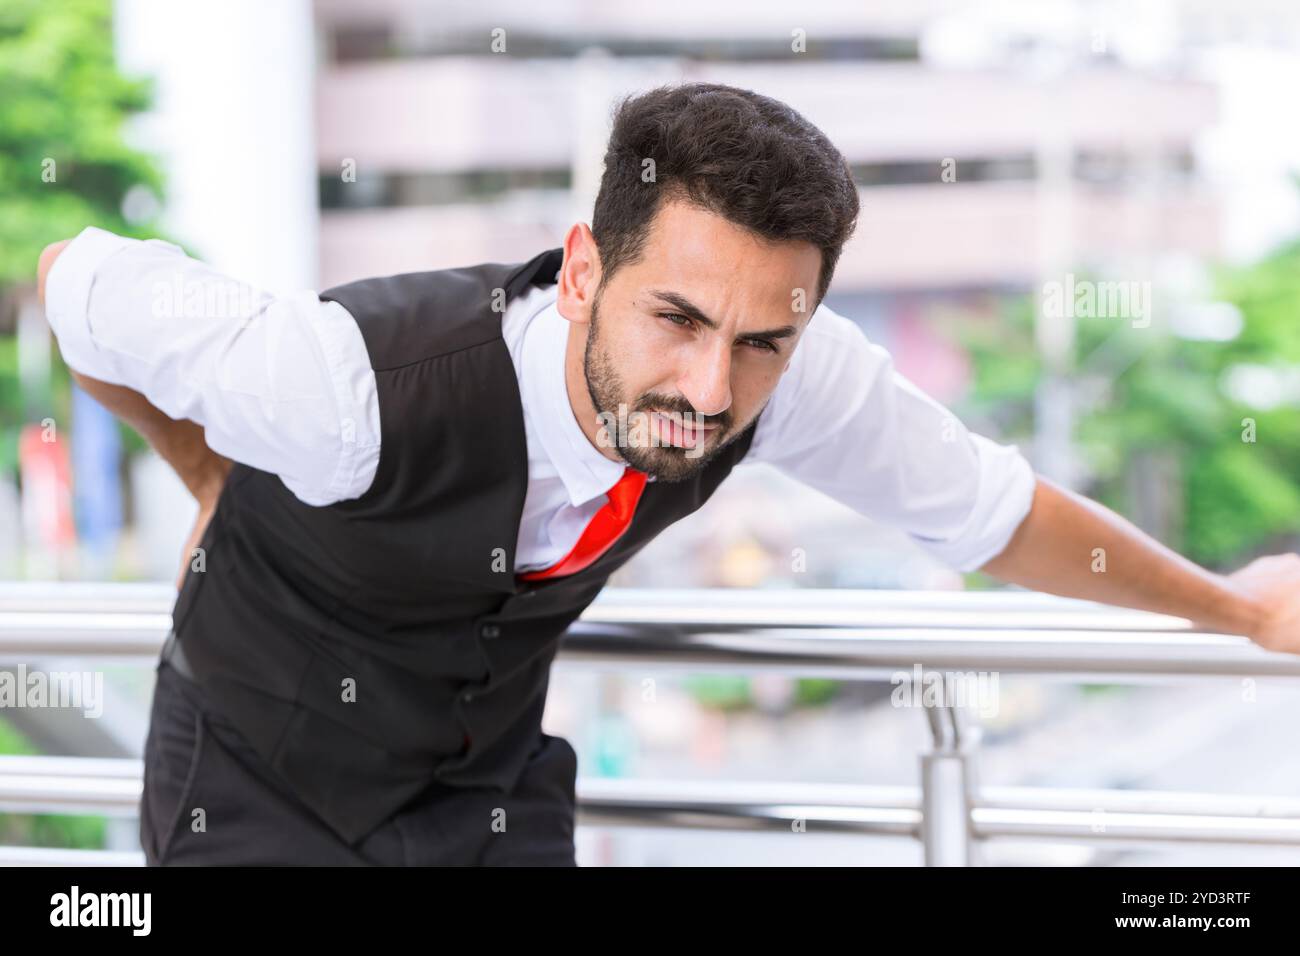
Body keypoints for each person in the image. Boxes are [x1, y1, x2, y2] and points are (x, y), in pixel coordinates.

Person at [36, 82, 1300, 866]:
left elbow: (995, 513)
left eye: (762, 339)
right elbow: (71, 284)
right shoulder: (336, 389)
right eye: (676, 320)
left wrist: (1239, 607)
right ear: (583, 268)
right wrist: (207, 470)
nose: (709, 390)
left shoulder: (789, 370)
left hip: (483, 789)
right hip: (256, 779)